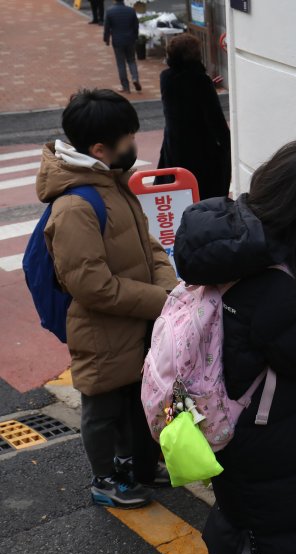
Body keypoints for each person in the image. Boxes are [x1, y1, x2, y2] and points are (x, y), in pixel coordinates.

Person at [174, 140, 296, 554]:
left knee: (253, 526)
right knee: (273, 547)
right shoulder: (272, 289)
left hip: (245, 440)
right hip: (274, 456)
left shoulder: (237, 249)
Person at [36, 89, 178, 508]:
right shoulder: (76, 206)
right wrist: (160, 300)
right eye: (128, 138)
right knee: (103, 412)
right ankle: (105, 479)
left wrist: (168, 287)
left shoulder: (110, 182)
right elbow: (93, 286)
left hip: (135, 322)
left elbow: (147, 243)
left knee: (137, 403)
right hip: (100, 332)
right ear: (100, 148)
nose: (134, 145)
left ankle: (139, 466)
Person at [154, 34, 231, 200]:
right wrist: (227, 144)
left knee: (176, 189)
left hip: (174, 143)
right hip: (200, 147)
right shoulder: (201, 81)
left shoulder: (165, 77)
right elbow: (214, 118)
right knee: (203, 192)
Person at [103, 0, 141, 94]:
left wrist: (106, 39)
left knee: (121, 63)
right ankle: (135, 78)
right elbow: (136, 26)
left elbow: (107, 27)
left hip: (117, 40)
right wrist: (135, 37)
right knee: (131, 60)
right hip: (130, 39)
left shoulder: (110, 11)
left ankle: (126, 87)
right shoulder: (131, 10)